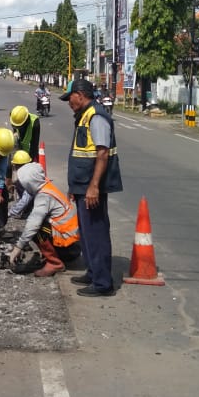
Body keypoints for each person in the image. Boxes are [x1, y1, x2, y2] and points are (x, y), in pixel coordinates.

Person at [61, 78, 123, 297]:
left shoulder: (96, 117)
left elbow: (102, 154)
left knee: (95, 233)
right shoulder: (85, 115)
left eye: (70, 99)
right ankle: (92, 272)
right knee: (86, 233)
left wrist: (94, 186)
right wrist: (74, 186)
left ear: (80, 95)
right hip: (82, 185)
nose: (69, 103)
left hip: (91, 187)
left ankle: (102, 283)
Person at [7, 162, 81, 277]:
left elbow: (33, 225)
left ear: (29, 182)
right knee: (37, 224)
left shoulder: (43, 196)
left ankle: (54, 263)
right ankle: (53, 255)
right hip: (72, 241)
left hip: (70, 247)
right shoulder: (46, 186)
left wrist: (18, 247)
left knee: (37, 229)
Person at [7, 149, 35, 219]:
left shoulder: (28, 179)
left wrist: (11, 212)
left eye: (16, 166)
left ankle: (30, 211)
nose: (15, 168)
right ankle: (28, 211)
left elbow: (25, 200)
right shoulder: (31, 173)